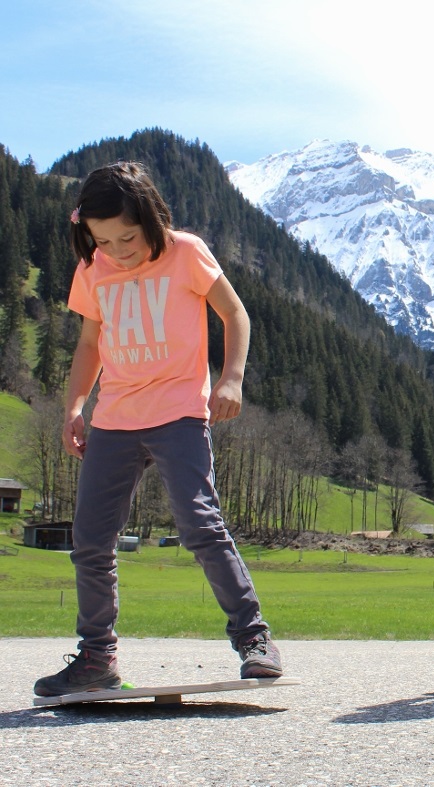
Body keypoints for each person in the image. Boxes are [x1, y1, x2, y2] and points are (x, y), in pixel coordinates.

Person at [34, 162, 283, 697]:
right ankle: (97, 657)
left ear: (150, 217)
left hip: (179, 414)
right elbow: (88, 345)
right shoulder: (93, 268)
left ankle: (254, 638)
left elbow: (234, 314)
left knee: (200, 525)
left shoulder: (185, 252)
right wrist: (73, 408)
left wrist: (231, 378)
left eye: (128, 236)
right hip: (114, 421)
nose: (119, 249)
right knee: (91, 542)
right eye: (104, 240)